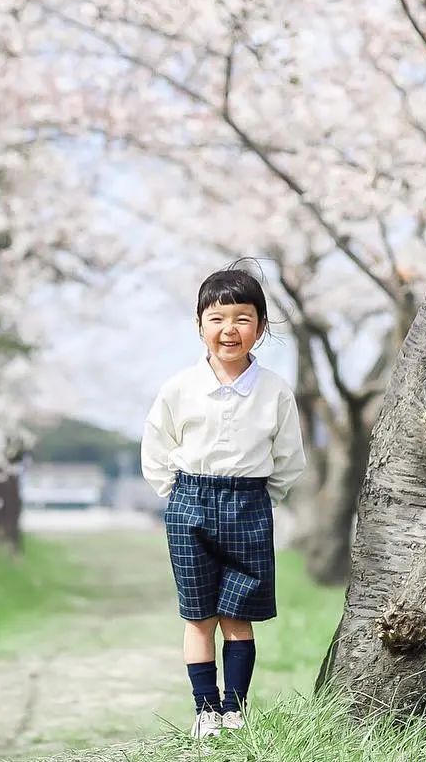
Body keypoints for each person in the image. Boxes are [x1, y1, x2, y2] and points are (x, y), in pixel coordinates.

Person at [141, 265, 307, 739]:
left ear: (260, 326)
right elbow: (156, 447)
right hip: (190, 502)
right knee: (199, 616)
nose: (228, 330)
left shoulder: (274, 390)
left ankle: (234, 710)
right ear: (199, 325)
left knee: (238, 616)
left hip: (249, 506)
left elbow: (289, 458)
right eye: (216, 319)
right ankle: (205, 711)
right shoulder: (179, 388)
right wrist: (176, 499)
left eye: (242, 318)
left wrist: (261, 499)